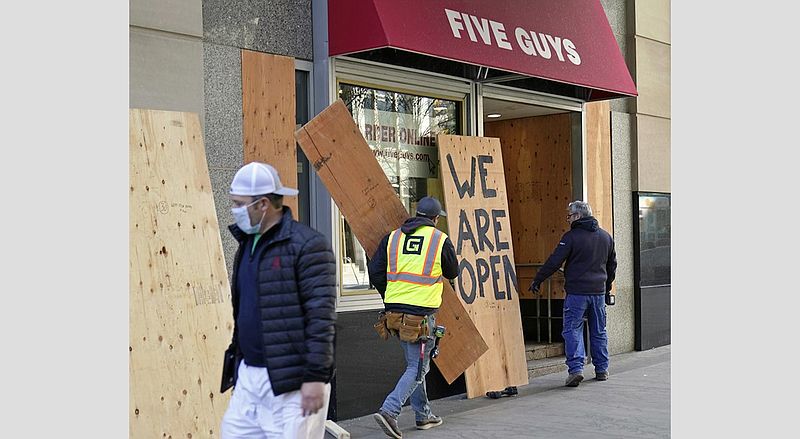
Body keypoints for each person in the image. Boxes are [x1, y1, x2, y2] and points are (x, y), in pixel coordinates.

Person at [220, 162, 336, 439]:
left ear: (262, 204)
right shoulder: (247, 244)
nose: (234, 210)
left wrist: (314, 378)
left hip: (293, 383)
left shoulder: (308, 245)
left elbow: (321, 317)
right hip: (249, 375)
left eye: (239, 204)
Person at [367, 196, 458, 439]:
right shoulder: (440, 240)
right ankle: (389, 411)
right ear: (436, 219)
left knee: (415, 365)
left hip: (395, 314)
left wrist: (391, 295)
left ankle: (423, 415)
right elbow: (453, 272)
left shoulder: (393, 237)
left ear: (415, 214)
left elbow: (374, 270)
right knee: (419, 369)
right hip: (420, 316)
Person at [529, 200, 616, 388]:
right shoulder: (606, 237)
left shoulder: (571, 237)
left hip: (577, 293)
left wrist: (538, 279)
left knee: (572, 330)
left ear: (578, 216)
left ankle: (576, 370)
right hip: (598, 294)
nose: (568, 219)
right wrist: (606, 287)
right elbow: (612, 267)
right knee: (599, 331)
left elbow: (555, 261)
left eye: (569, 215)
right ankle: (602, 369)